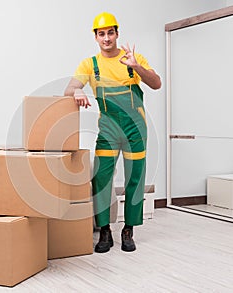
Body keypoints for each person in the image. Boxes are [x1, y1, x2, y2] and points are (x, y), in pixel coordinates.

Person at [64, 12, 161, 253]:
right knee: (101, 179)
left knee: (134, 179)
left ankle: (129, 229)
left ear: (117, 34)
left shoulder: (132, 59)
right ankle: (105, 231)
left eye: (110, 32)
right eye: (101, 33)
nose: (106, 38)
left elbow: (156, 83)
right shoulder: (90, 65)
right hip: (108, 131)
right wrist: (76, 92)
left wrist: (137, 67)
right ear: (96, 37)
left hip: (135, 131)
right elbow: (70, 88)